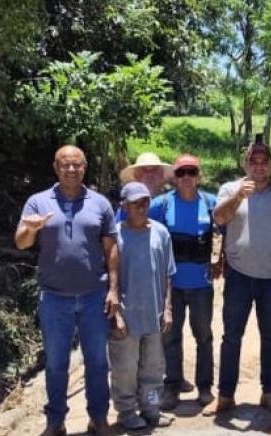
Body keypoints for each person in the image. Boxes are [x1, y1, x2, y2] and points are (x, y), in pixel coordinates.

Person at [14, 145, 118, 436]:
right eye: (66, 165)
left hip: (94, 296)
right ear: (55, 167)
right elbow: (21, 243)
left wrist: (113, 289)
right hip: (54, 298)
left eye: (77, 164)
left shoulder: (100, 203)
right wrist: (31, 229)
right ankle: (55, 421)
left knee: (97, 362)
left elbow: (111, 250)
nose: (72, 170)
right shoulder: (38, 201)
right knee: (57, 363)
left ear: (85, 166)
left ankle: (98, 418)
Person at [204, 141, 271, 415]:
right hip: (238, 276)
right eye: (253, 161)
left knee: (270, 337)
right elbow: (220, 219)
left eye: (264, 161)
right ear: (245, 164)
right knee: (232, 337)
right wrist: (238, 196)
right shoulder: (229, 189)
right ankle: (225, 396)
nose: (259, 166)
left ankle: (269, 393)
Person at [150, 154, 219, 410]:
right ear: (174, 178)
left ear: (199, 176)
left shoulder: (211, 203)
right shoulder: (161, 205)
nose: (187, 178)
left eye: (192, 172)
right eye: (181, 173)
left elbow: (229, 229)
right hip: (171, 286)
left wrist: (222, 261)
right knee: (170, 338)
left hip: (202, 285)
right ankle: (172, 387)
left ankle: (204, 387)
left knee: (203, 337)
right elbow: (135, 222)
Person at [109, 182, 175, 429]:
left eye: (145, 201)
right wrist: (116, 315)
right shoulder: (115, 236)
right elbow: (110, 280)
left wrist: (167, 308)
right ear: (123, 206)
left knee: (154, 368)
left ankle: (151, 409)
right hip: (126, 315)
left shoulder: (161, 233)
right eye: (136, 202)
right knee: (125, 369)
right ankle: (126, 412)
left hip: (154, 314)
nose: (142, 207)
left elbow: (168, 273)